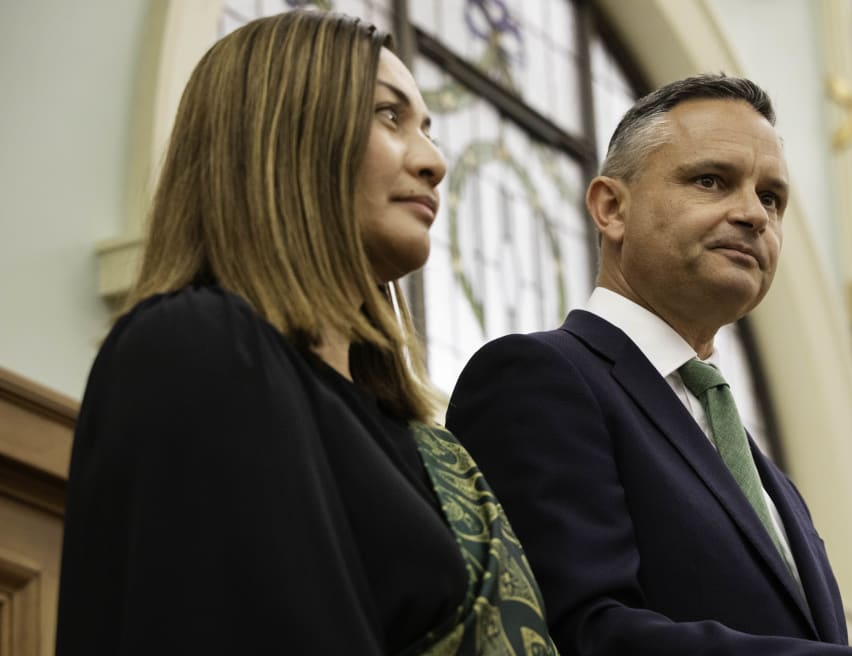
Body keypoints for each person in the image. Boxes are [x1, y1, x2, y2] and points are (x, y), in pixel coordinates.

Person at [445, 75, 852, 656]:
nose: (754, 215)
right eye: (711, 181)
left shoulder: (765, 474)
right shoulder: (538, 377)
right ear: (611, 208)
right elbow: (581, 633)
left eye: (771, 198)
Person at [55, 11, 556, 655]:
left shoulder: (423, 447)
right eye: (389, 116)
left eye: (428, 129)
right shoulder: (195, 345)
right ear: (287, 133)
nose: (434, 161)